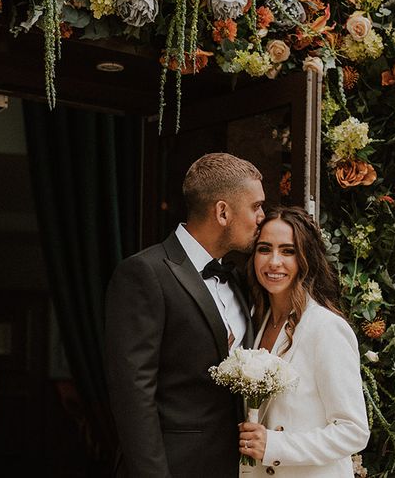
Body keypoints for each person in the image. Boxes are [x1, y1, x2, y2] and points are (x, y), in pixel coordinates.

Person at [105, 153, 265, 478]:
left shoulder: (238, 279)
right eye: (256, 206)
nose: (262, 216)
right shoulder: (144, 272)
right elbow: (133, 394)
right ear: (223, 212)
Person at [239, 206, 370, 477]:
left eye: (288, 251)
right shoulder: (253, 322)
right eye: (265, 249)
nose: (274, 261)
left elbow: (354, 431)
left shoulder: (326, 329)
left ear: (305, 258)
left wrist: (276, 446)